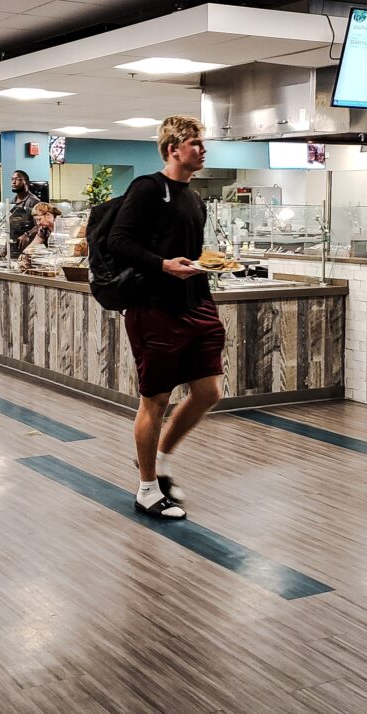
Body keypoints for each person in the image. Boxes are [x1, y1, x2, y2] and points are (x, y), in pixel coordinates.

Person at [107, 115, 225, 520]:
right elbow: (117, 241)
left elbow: (192, 253)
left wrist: (207, 268)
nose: (202, 149)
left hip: (198, 304)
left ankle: (159, 461)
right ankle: (145, 489)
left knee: (209, 392)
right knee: (155, 400)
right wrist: (162, 265)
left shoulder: (195, 199)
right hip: (154, 307)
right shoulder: (147, 189)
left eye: (202, 142)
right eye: (195, 142)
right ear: (173, 149)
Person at [5, 170, 41, 257]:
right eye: (12, 179)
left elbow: (41, 225)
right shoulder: (12, 202)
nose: (13, 182)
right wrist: (4, 252)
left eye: (18, 179)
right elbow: (11, 230)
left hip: (28, 250)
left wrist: (27, 234)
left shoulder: (33, 202)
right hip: (13, 250)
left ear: (26, 182)